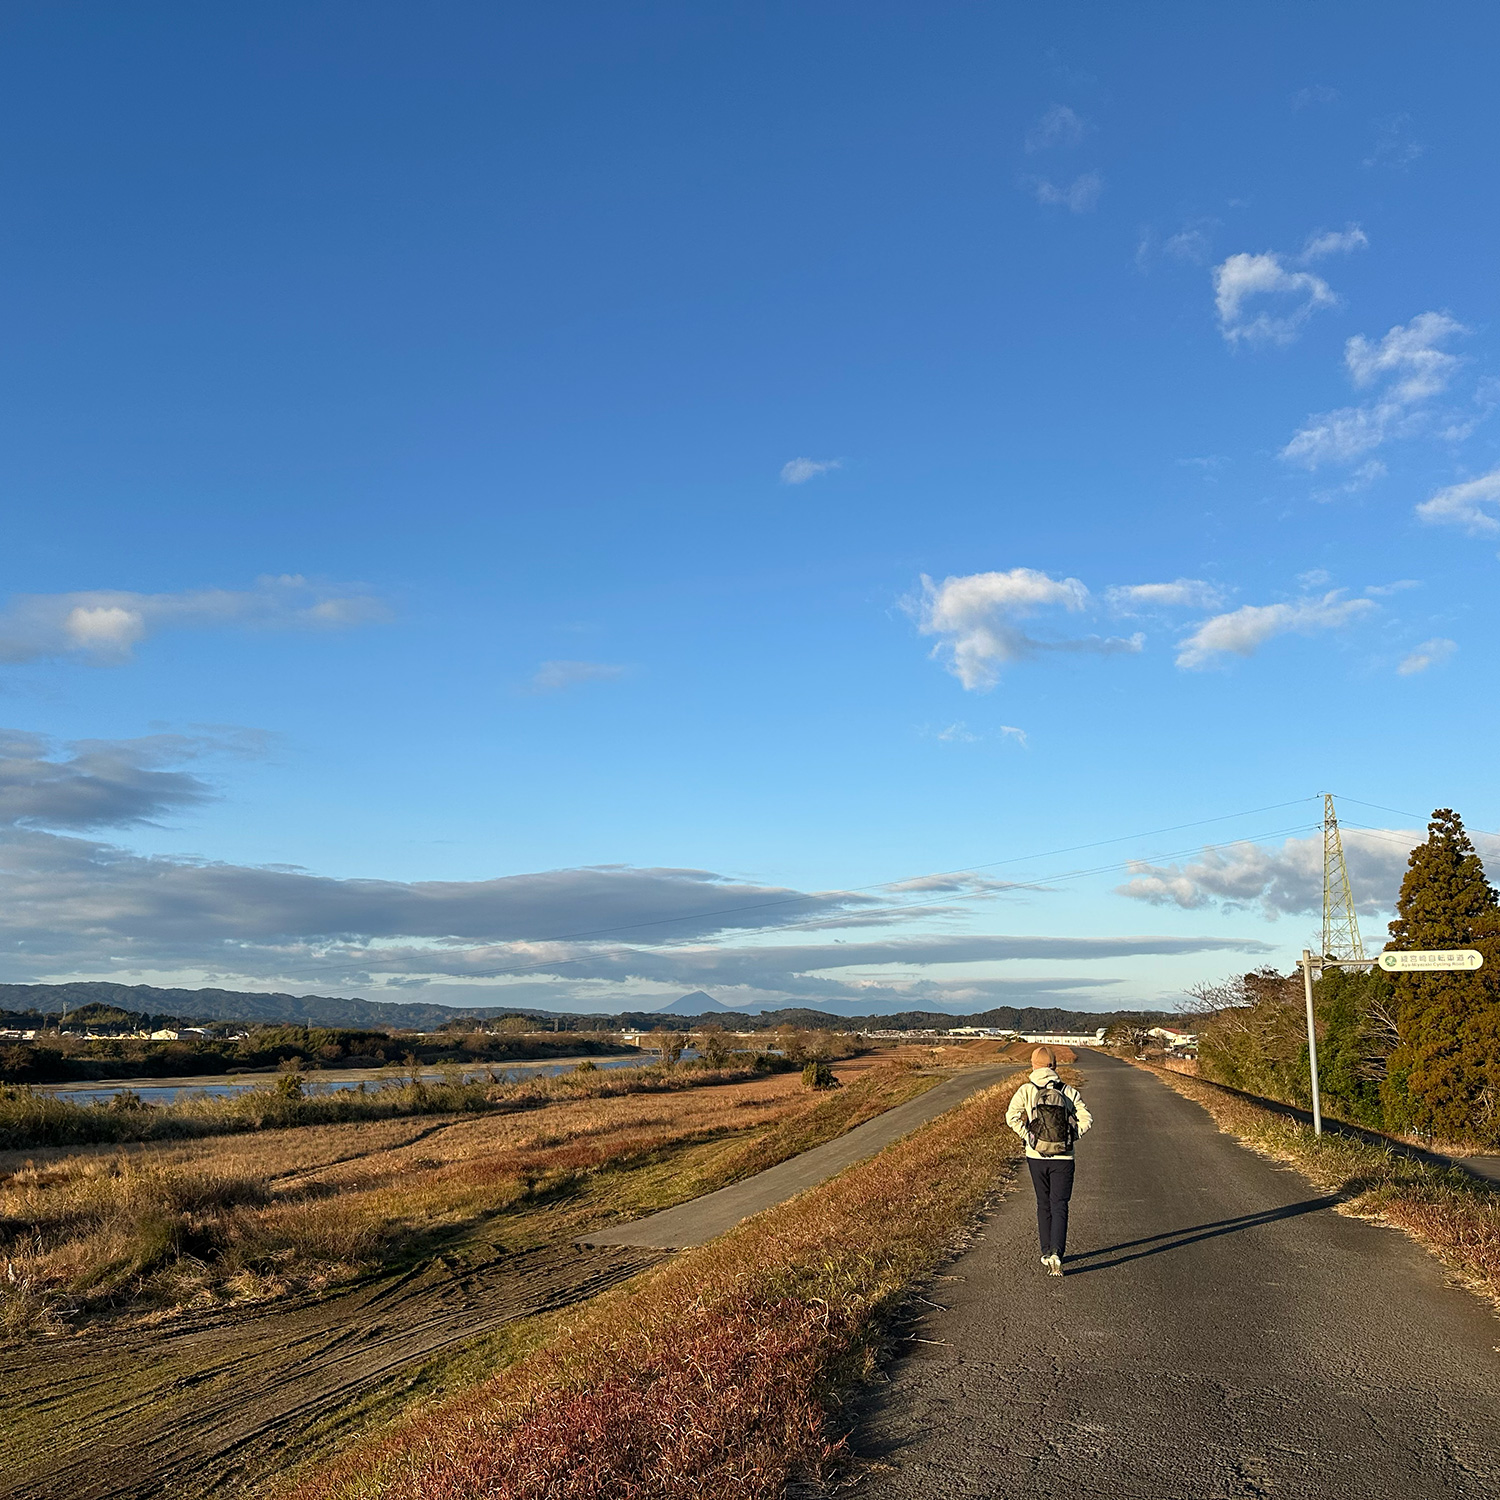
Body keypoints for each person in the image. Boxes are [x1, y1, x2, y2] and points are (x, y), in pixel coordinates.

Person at [1005, 1046, 1092, 1275]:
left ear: (1033, 1066)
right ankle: (1057, 1252)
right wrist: (1072, 1136)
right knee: (1060, 1204)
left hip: (1036, 1156)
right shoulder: (1068, 1091)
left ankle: (1045, 1252)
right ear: (1054, 1066)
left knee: (1043, 1204)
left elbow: (1011, 1117)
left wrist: (1029, 1138)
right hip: (1064, 1157)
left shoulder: (1026, 1090)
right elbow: (1087, 1119)